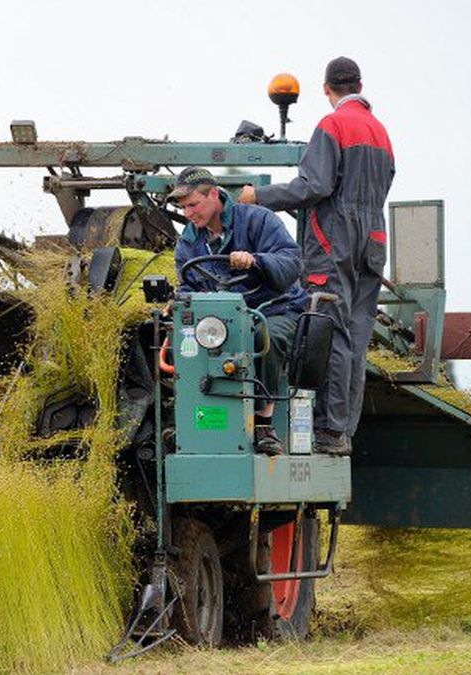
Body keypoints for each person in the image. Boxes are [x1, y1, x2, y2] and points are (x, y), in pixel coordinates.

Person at [238, 56, 394, 456]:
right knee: (357, 337)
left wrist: (262, 197)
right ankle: (342, 432)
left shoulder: (332, 125)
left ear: (327, 90)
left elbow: (316, 185)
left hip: (335, 242)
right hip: (373, 239)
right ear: (359, 85)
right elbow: (376, 185)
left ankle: (326, 429)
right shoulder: (381, 132)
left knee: (332, 330)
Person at [170, 167, 307, 455]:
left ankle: (263, 424)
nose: (188, 214)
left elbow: (292, 263)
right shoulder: (188, 242)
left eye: (193, 205)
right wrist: (179, 300)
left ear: (214, 194)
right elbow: (187, 284)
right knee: (184, 344)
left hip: (275, 310)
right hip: (223, 322)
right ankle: (191, 426)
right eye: (183, 208)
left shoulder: (259, 219)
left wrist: (256, 261)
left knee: (262, 338)